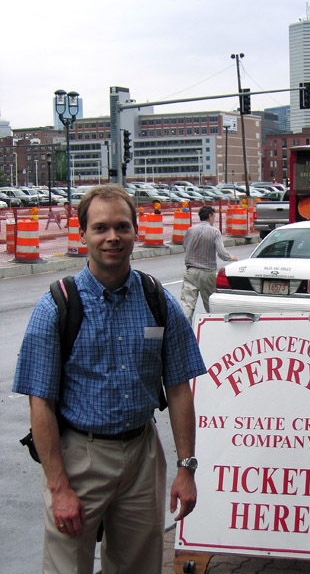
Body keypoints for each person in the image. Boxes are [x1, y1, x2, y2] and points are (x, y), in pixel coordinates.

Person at [13, 185, 206, 574]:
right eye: (100, 228)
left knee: (139, 565)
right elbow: (41, 404)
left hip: (142, 457)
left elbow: (180, 388)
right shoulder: (56, 306)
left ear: (136, 232)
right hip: (79, 458)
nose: (112, 237)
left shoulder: (159, 301)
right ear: (82, 234)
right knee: (68, 566)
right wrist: (58, 487)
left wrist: (186, 468)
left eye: (122, 226)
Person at [180, 205, 237, 324]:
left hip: (190, 271)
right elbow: (221, 253)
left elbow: (185, 246)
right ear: (210, 216)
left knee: (187, 304)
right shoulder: (215, 232)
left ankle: (185, 330)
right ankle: (213, 327)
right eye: (214, 216)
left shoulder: (190, 230)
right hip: (207, 272)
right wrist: (231, 258)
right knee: (210, 304)